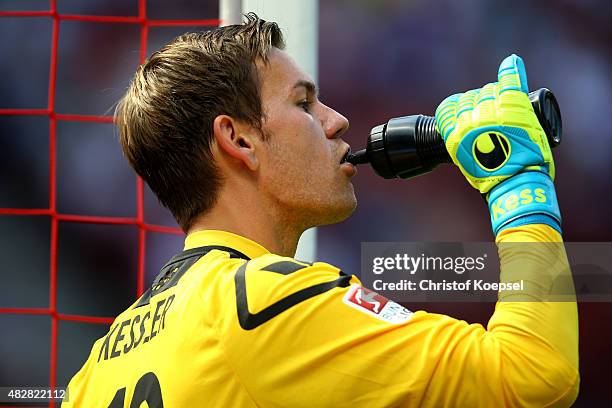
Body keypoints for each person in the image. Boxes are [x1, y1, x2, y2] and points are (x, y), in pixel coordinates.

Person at [62, 14, 579, 407]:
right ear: (238, 138)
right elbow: (535, 373)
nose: (337, 121)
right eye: (304, 104)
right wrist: (518, 183)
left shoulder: (93, 369)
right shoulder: (266, 302)